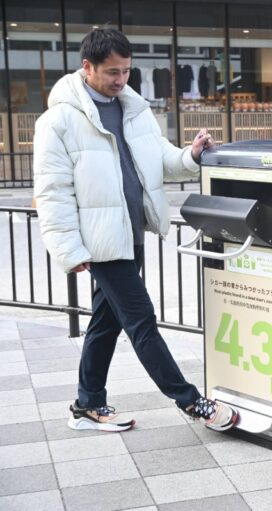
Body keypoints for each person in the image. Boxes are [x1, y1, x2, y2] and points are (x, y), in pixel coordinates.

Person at [33, 28, 238, 433]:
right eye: (112, 72)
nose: (120, 80)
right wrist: (69, 250)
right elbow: (52, 190)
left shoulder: (134, 108)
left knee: (105, 322)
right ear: (87, 67)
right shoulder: (57, 121)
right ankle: (190, 401)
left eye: (126, 71)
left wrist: (191, 155)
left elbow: (159, 159)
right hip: (101, 242)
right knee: (141, 319)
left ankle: (87, 405)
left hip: (132, 232)